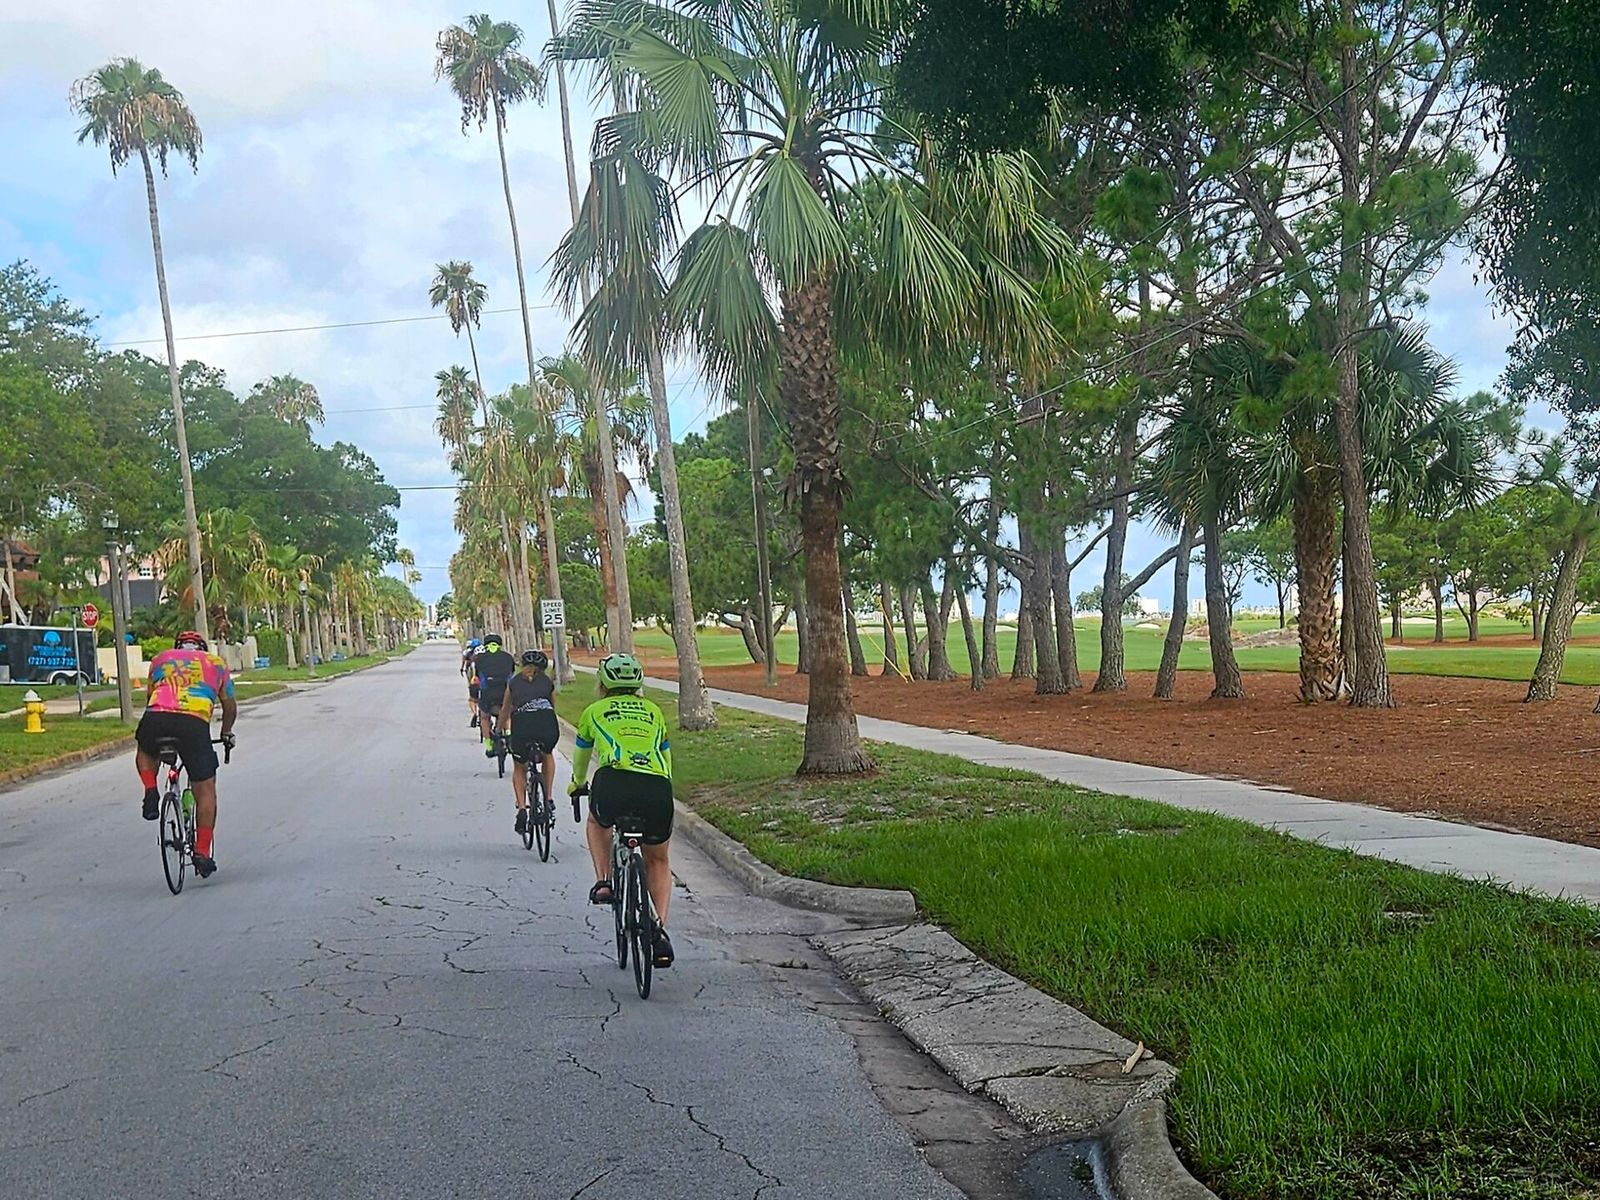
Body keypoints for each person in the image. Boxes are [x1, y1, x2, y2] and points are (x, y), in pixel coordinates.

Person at [567, 653, 676, 968]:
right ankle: (658, 930)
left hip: (613, 783)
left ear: (602, 683)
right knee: (658, 860)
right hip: (656, 787)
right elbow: (665, 758)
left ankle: (603, 881)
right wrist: (664, 788)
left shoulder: (594, 711)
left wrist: (577, 784)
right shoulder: (653, 711)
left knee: (596, 822)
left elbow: (581, 756)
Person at [134, 631, 237, 879]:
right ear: (202, 648)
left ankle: (150, 789)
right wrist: (226, 732)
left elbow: (150, 697)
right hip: (193, 724)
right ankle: (202, 852)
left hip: (156, 716)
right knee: (206, 791)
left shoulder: (160, 659)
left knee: (145, 750)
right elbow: (229, 706)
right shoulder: (216, 663)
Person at [496, 649, 559, 834]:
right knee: (547, 754)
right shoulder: (547, 682)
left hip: (522, 726)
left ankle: (522, 808)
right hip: (546, 724)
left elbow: (505, 710)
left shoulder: (514, 682)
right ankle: (548, 797)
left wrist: (499, 729)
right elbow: (553, 707)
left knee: (519, 767)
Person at [473, 634, 516, 756]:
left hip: (488, 694)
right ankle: (508, 736)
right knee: (507, 714)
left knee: (484, 717)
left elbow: (478, 675)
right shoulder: (508, 657)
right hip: (505, 693)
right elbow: (512, 673)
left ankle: (488, 746)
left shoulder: (479, 658)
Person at [461, 638, 481, 727]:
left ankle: (475, 713)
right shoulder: (486, 657)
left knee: (472, 699)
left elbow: (464, 660)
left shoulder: (468, 653)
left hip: (473, 678)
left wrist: (462, 668)